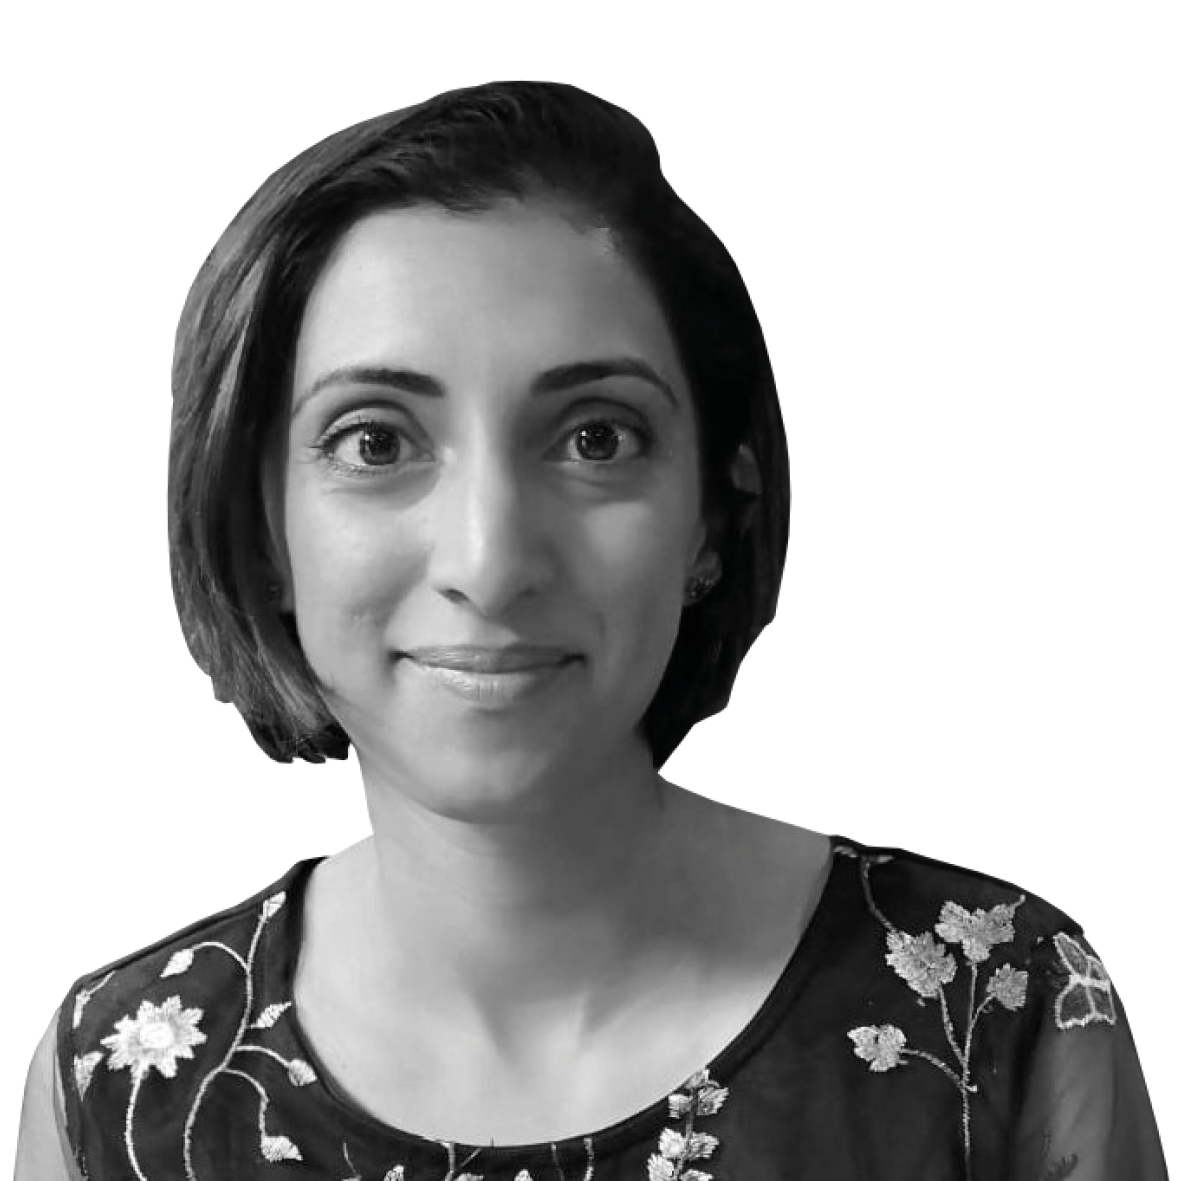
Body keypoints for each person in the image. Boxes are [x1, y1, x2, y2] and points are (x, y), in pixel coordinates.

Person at [15, 80, 1168, 1180]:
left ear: (715, 513)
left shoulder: (997, 1006)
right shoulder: (117, 1084)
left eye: (595, 438)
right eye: (375, 442)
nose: (490, 559)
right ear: (260, 527)